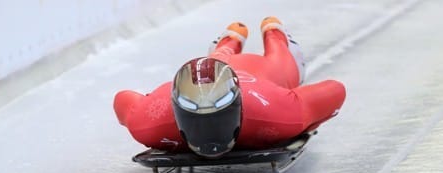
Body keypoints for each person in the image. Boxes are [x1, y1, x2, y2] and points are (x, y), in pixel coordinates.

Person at [114, 17, 346, 158]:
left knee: (282, 62)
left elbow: (123, 99)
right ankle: (232, 39)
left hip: (259, 73)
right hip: (218, 75)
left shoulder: (277, 113)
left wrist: (305, 119)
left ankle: (272, 32)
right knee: (220, 58)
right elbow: (334, 90)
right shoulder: (150, 120)